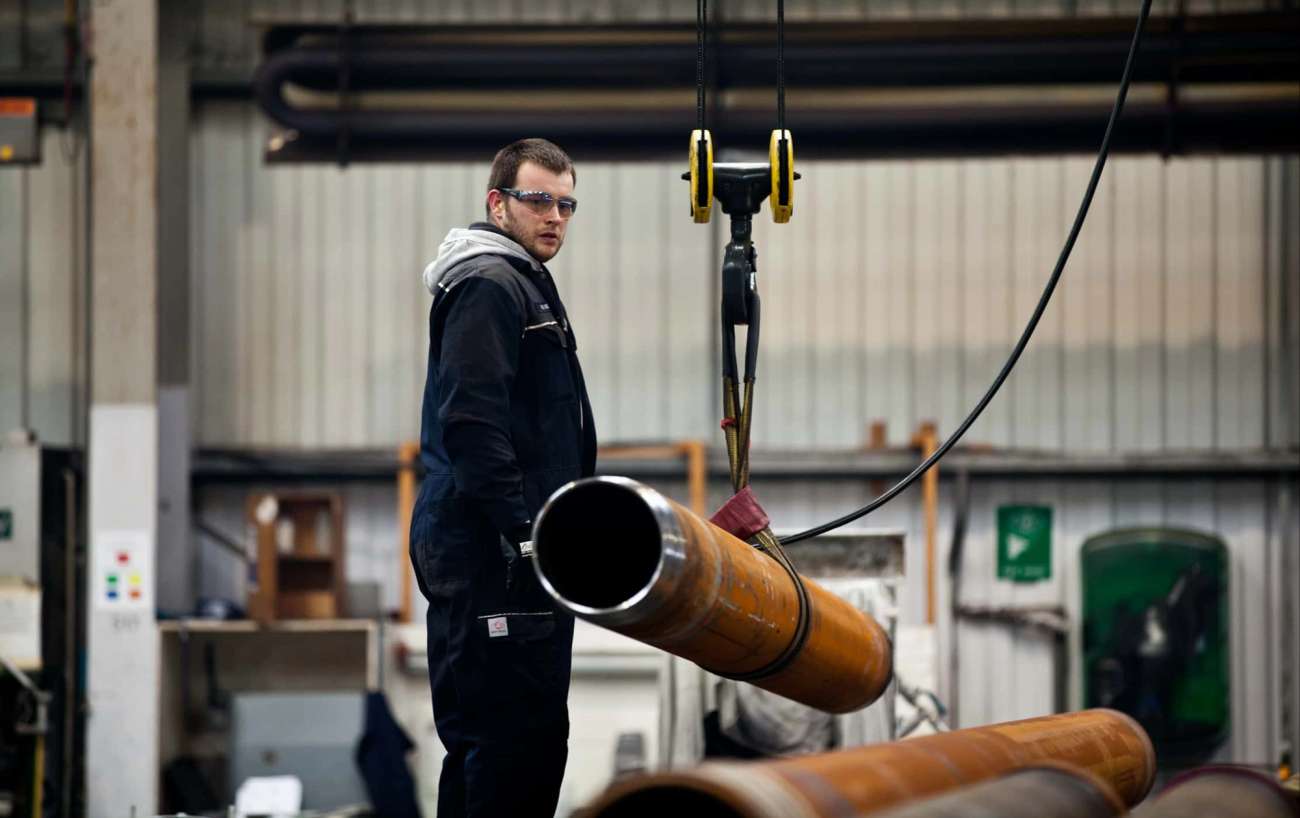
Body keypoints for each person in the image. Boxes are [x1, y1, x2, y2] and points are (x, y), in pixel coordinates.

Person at [410, 138, 597, 817]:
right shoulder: (490, 284)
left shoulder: (519, 282)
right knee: (508, 748)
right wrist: (524, 533)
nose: (555, 216)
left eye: (566, 204)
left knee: (519, 746)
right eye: (538, 199)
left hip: (511, 553)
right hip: (493, 552)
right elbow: (472, 424)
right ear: (498, 203)